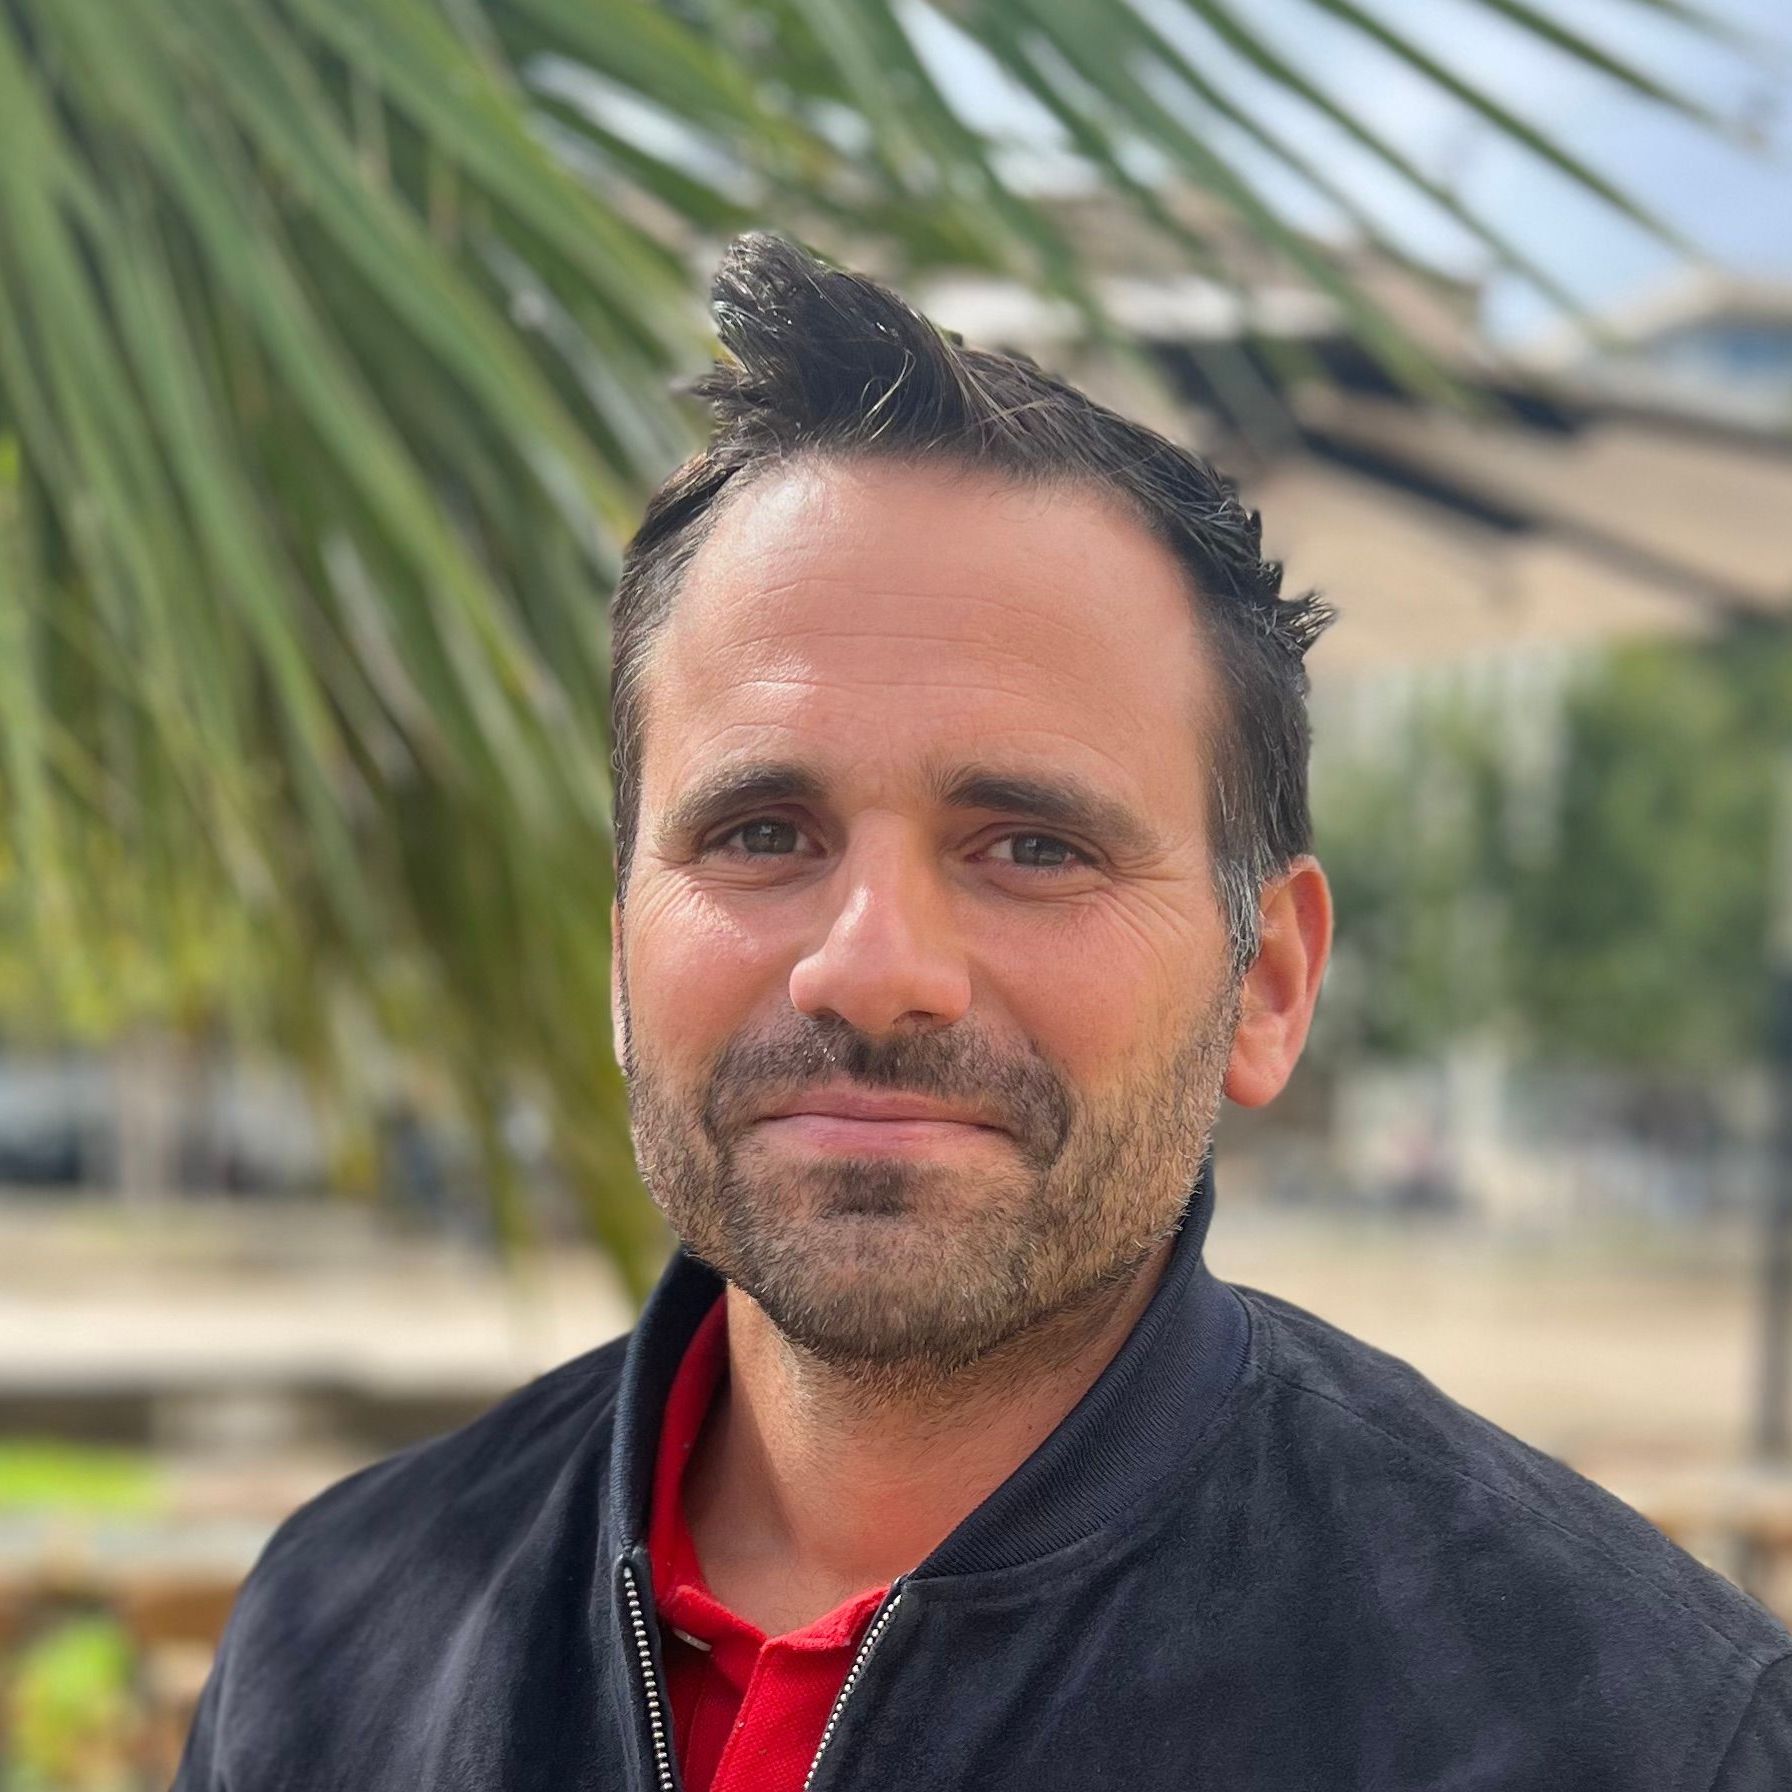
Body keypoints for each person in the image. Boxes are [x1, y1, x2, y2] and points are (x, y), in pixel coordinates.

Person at [174, 233, 1792, 1791]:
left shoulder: (1632, 1730)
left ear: (1268, 984)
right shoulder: (336, 1643)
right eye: (762, 834)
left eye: (1031, 846)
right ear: (620, 954)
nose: (873, 967)